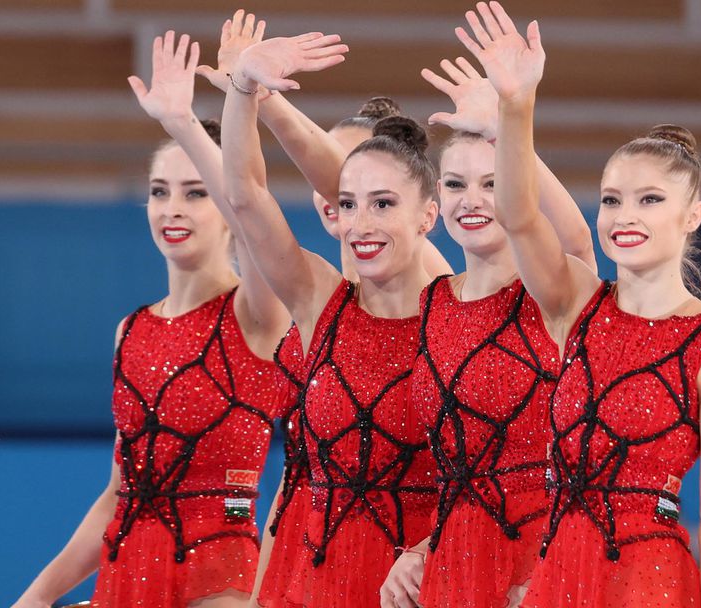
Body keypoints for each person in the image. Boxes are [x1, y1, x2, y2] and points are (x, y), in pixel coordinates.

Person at [455, 3, 701, 606]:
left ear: (692, 216)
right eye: (612, 200)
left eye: (650, 200)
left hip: (649, 581)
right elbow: (517, 215)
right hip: (557, 573)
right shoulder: (575, 301)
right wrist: (515, 109)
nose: (624, 217)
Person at [13, 29, 291, 608]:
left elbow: (252, 212)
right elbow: (119, 496)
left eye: (195, 193)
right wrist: (35, 598)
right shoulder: (131, 330)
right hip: (129, 571)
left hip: (221, 575)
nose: (172, 210)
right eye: (160, 192)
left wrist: (183, 124)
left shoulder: (256, 312)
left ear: (224, 206)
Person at [218, 29, 443, 607]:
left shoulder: (457, 312)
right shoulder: (320, 299)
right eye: (348, 205)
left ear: (428, 216)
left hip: (415, 584)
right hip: (314, 576)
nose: (360, 224)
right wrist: (243, 87)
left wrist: (427, 549)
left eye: (383, 204)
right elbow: (244, 198)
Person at [380, 56, 595, 608]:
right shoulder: (433, 300)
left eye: (492, 184)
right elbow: (463, 467)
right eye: (456, 184)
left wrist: (508, 128)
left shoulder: (550, 293)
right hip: (456, 552)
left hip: (545, 550)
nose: (471, 200)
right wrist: (420, 549)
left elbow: (575, 238)